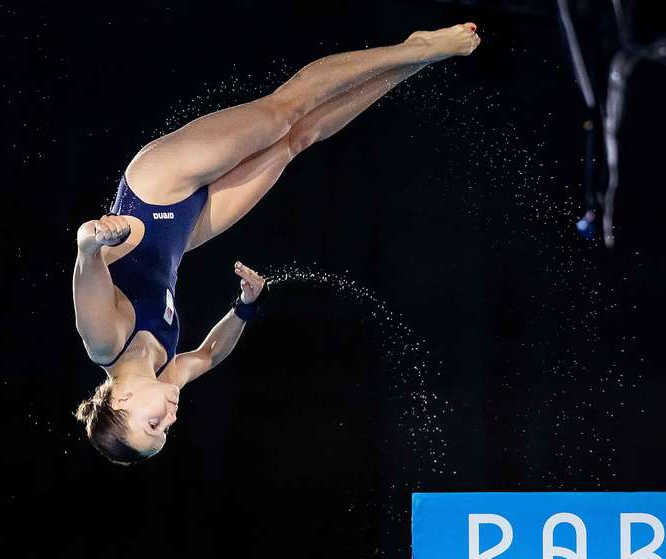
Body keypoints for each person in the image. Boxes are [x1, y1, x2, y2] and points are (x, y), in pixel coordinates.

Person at [72, 23, 482, 465]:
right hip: (184, 231)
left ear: (122, 403)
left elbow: (85, 262)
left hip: (154, 191)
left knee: (281, 113)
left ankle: (413, 47)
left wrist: (95, 237)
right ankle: (415, 61)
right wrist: (245, 307)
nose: (170, 419)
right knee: (296, 140)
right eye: (167, 432)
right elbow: (208, 356)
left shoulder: (104, 343)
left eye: (154, 425)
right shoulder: (163, 372)